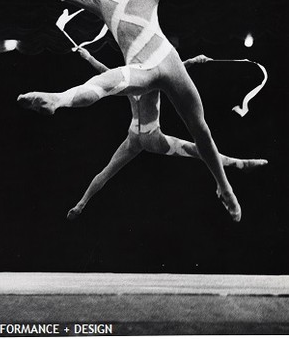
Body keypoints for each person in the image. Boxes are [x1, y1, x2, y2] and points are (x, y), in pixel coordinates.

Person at [13, 0, 259, 222]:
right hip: (141, 70)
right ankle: (58, 99)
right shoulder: (100, 2)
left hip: (169, 63)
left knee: (200, 129)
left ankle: (224, 187)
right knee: (104, 84)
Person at [66, 47, 267, 220]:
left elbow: (103, 72)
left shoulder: (128, 81)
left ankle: (82, 204)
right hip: (151, 138)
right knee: (201, 150)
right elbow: (175, 72)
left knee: (107, 171)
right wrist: (194, 61)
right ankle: (239, 164)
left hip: (134, 138)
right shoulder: (152, 78)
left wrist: (88, 57)